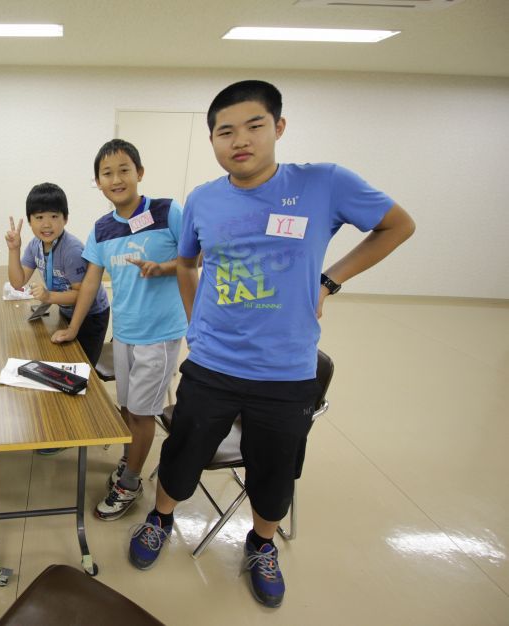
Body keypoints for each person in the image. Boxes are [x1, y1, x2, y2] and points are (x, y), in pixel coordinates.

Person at [127, 80, 415, 608]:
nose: (240, 140)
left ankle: (261, 543)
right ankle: (160, 518)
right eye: (225, 131)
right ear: (212, 140)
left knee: (275, 469)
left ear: (278, 127)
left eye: (254, 126)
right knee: (183, 452)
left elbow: (397, 225)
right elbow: (188, 262)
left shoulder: (323, 184)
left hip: (286, 371)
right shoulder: (204, 199)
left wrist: (330, 281)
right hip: (212, 363)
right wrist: (197, 321)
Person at [51, 140, 187, 519]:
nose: (116, 178)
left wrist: (163, 268)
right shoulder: (102, 228)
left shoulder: (167, 211)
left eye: (124, 169)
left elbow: (198, 254)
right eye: (107, 173)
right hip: (124, 330)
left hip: (159, 334)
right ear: (97, 182)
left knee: (143, 415)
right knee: (128, 408)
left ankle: (130, 482)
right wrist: (73, 328)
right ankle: (132, 458)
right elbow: (91, 282)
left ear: (139, 173)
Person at [5, 182, 111, 367]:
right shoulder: (34, 245)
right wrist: (14, 249)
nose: (46, 224)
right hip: (66, 309)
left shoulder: (72, 250)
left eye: (54, 216)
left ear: (65, 218)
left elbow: (82, 295)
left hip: (91, 315)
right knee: (64, 360)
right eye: (39, 217)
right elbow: (17, 282)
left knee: (83, 369)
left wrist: (49, 296)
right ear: (30, 221)